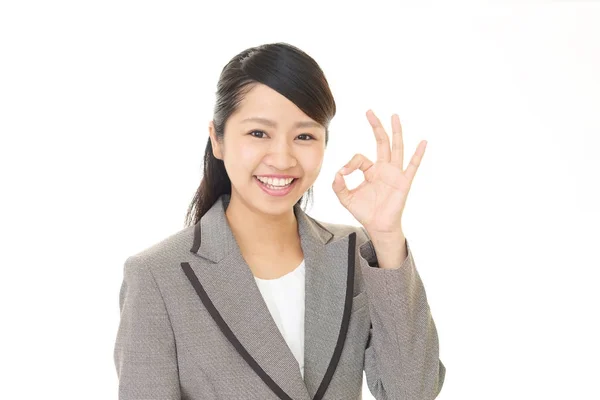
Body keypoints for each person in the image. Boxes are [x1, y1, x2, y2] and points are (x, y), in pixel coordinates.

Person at [113, 42, 446, 400]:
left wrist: (386, 236)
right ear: (218, 140)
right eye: (259, 133)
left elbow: (413, 392)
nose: (283, 158)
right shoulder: (158, 275)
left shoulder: (356, 253)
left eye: (304, 136)